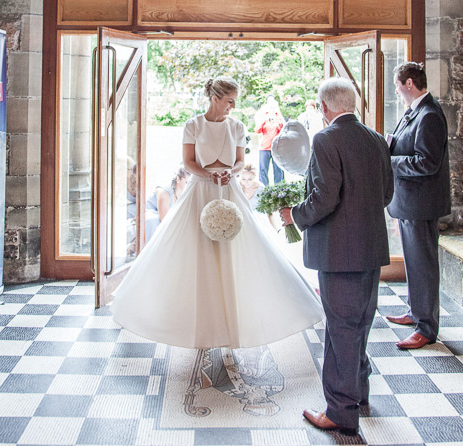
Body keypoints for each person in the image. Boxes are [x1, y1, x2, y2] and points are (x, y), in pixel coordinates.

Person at [111, 77, 323, 349]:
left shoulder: (237, 126)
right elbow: (188, 162)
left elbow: (239, 162)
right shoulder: (193, 125)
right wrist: (209, 176)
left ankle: (236, 319)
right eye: (229, 101)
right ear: (215, 98)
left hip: (229, 189)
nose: (233, 106)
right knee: (196, 249)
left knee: (238, 246)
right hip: (200, 191)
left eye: (235, 101)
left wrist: (229, 174)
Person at [280, 77, 393, 436]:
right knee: (360, 323)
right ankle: (358, 395)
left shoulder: (326, 138)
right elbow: (386, 193)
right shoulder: (376, 139)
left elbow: (324, 198)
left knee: (341, 328)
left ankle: (341, 413)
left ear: (325, 107)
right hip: (370, 248)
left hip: (338, 252)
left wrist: (294, 215)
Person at [386, 61, 451, 350]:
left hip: (422, 203)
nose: (398, 93)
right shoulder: (415, 112)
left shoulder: (430, 115)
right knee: (414, 263)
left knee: (423, 265)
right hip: (410, 201)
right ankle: (416, 312)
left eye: (399, 88)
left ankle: (426, 327)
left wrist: (388, 162)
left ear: (409, 84)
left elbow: (427, 163)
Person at [144, 166, 189, 241]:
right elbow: (164, 220)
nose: (188, 186)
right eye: (186, 182)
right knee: (154, 220)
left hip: (161, 223)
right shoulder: (164, 193)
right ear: (178, 179)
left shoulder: (182, 194)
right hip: (148, 218)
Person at [254, 95, 285, 186]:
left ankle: (279, 189)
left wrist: (278, 118)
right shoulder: (263, 116)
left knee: (278, 169)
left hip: (276, 148)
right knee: (263, 169)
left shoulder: (278, 116)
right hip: (264, 147)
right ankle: (264, 188)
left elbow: (284, 128)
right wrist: (264, 120)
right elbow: (257, 130)